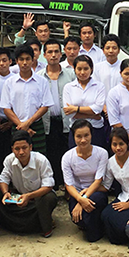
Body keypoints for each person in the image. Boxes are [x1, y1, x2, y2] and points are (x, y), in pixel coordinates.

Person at [0, 130, 58, 237]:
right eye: (17, 149)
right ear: (12, 149)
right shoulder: (9, 160)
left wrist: (29, 196)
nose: (21, 152)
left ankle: (43, 225)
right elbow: (3, 179)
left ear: (30, 147)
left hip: (37, 198)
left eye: (24, 148)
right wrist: (6, 193)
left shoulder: (41, 160)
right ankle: (14, 224)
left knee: (48, 198)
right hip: (19, 197)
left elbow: (48, 186)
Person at [0, 44, 54, 155]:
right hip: (17, 126)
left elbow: (45, 106)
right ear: (16, 61)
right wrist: (22, 125)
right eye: (21, 59)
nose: (25, 63)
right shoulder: (9, 82)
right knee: (18, 159)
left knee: (39, 159)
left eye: (28, 59)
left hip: (36, 126)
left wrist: (28, 123)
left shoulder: (42, 81)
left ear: (33, 60)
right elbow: (6, 108)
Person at [62, 119, 109, 242]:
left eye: (86, 135)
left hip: (96, 192)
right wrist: (79, 199)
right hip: (77, 193)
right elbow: (69, 185)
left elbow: (98, 180)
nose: (83, 140)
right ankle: (91, 225)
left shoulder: (102, 153)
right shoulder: (67, 157)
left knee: (92, 204)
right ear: (74, 137)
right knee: (78, 217)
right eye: (79, 136)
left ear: (91, 135)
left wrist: (82, 200)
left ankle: (93, 233)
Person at [37, 39, 76, 187]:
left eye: (56, 52)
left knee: (66, 153)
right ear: (44, 55)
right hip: (47, 121)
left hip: (66, 121)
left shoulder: (71, 74)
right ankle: (51, 184)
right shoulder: (39, 76)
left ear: (61, 54)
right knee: (50, 153)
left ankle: (67, 185)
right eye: (50, 52)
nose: (53, 55)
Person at [100, 127, 129, 245]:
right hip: (124, 196)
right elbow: (106, 186)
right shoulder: (110, 162)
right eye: (114, 144)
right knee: (105, 215)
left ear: (127, 143)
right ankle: (116, 240)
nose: (118, 148)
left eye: (121, 144)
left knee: (120, 222)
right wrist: (89, 189)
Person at [63, 55, 107, 149]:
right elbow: (68, 113)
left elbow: (98, 109)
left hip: (96, 129)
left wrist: (76, 109)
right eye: (79, 69)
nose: (82, 72)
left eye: (86, 69)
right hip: (76, 130)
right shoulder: (68, 87)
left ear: (91, 69)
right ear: (74, 69)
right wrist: (93, 115)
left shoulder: (99, 86)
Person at [0, 47, 16, 179]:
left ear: (10, 61)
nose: (1, 64)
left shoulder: (16, 79)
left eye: (4, 60)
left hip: (13, 123)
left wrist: (12, 122)